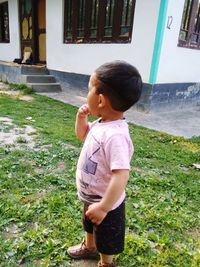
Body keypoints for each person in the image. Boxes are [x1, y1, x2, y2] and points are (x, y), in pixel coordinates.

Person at [67, 61, 143, 267]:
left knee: (107, 238)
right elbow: (82, 136)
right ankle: (89, 247)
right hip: (92, 196)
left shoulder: (116, 135)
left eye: (89, 88)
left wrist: (104, 207)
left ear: (100, 100)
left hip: (107, 203)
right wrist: (80, 119)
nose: (87, 93)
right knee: (89, 224)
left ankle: (106, 263)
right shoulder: (102, 124)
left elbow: (121, 175)